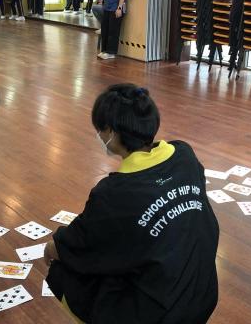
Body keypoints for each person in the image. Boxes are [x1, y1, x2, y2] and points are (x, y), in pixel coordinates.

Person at [45, 84, 219, 323]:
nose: (99, 136)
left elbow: (76, 244)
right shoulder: (184, 155)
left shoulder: (113, 193)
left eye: (100, 130)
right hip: (204, 294)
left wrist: (51, 248)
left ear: (111, 131)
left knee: (62, 270)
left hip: (160, 315)